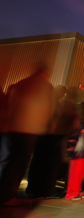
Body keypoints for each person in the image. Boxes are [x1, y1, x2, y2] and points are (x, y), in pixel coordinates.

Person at [0, 65, 53, 206]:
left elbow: (11, 101)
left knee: (6, 161)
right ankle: (8, 196)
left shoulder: (21, 82)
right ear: (45, 72)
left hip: (11, 127)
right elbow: (46, 108)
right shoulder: (45, 86)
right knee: (18, 164)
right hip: (28, 129)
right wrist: (44, 125)